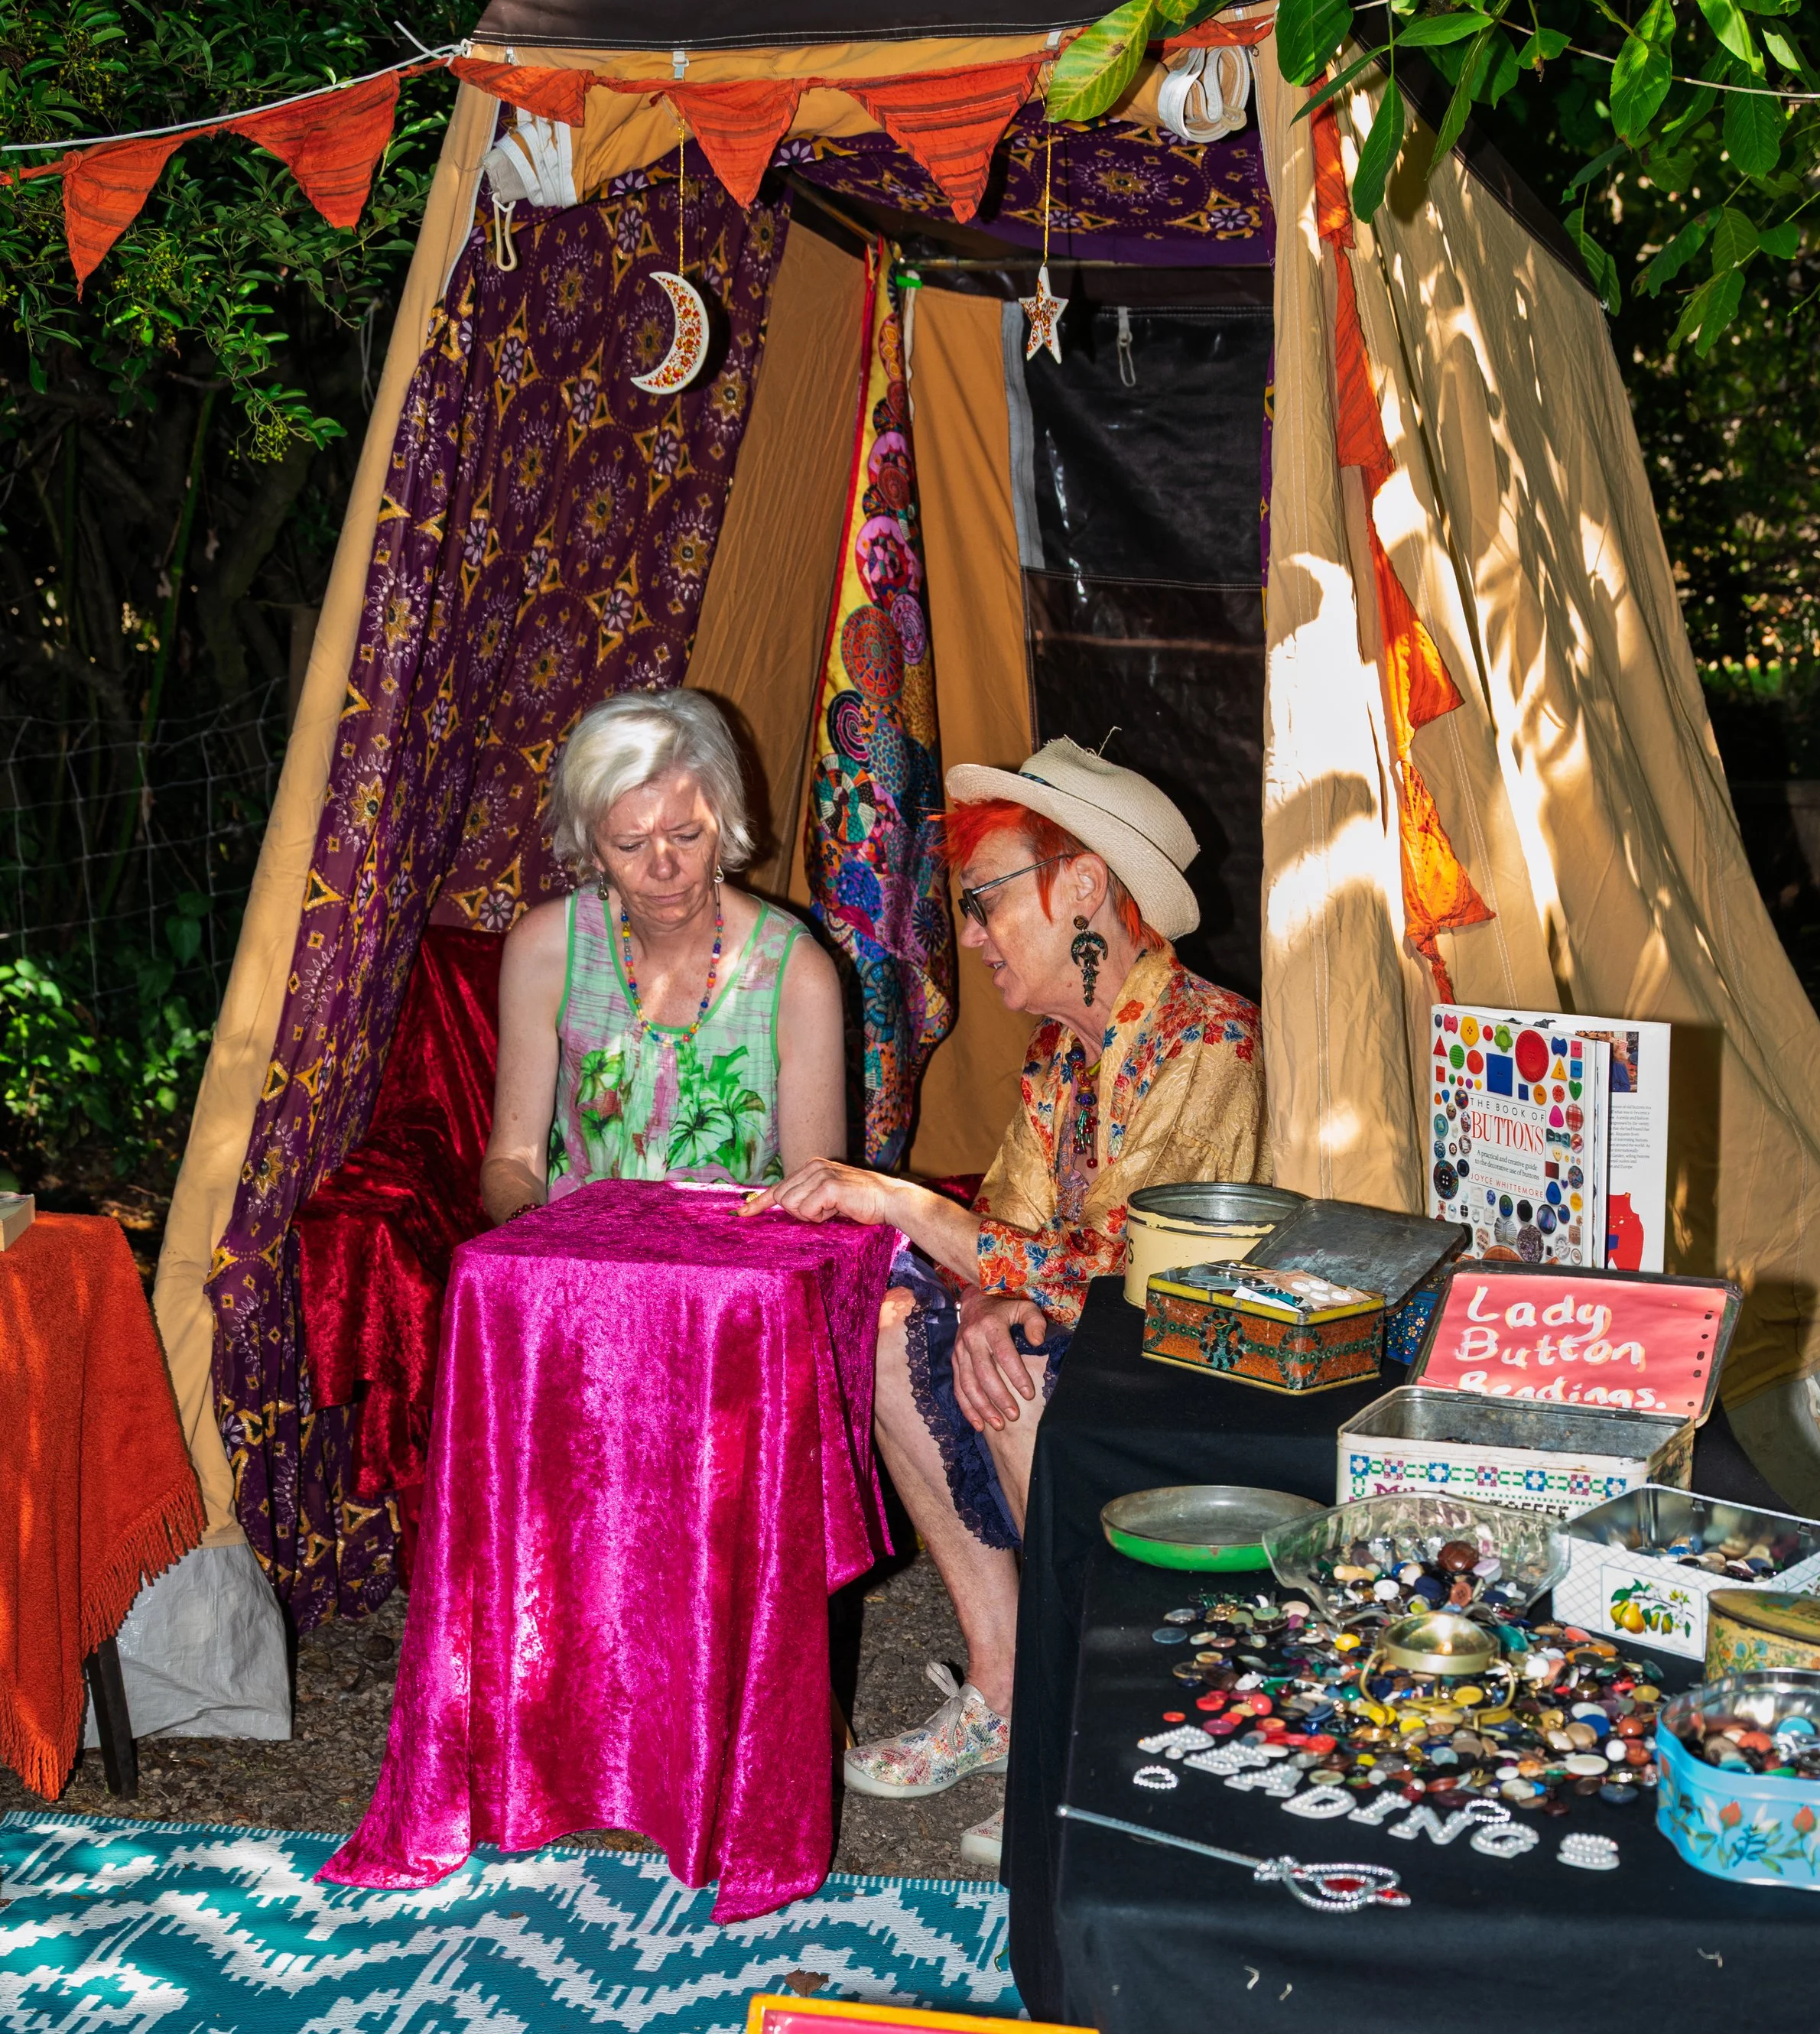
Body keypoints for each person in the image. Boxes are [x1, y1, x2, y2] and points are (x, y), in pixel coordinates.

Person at [749, 737, 1274, 1868]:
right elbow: (1009, 1231)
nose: (972, 936)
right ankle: (1004, 1683)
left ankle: (1092, 1728)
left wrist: (909, 1209)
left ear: (1083, 885)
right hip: (1084, 1350)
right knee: (890, 1329)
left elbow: (1141, 1269)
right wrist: (982, 1288)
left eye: (985, 904)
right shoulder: (1059, 1058)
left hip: (1196, 1387)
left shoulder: (1212, 1039)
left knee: (1032, 1346)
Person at [481, 690, 845, 1220]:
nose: (664, 868)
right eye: (630, 845)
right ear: (592, 850)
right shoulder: (546, 951)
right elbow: (512, 1160)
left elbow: (818, 1202)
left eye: (687, 834)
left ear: (724, 827)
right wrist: (543, 1244)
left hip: (734, 1284)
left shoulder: (796, 977)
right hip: (578, 1268)